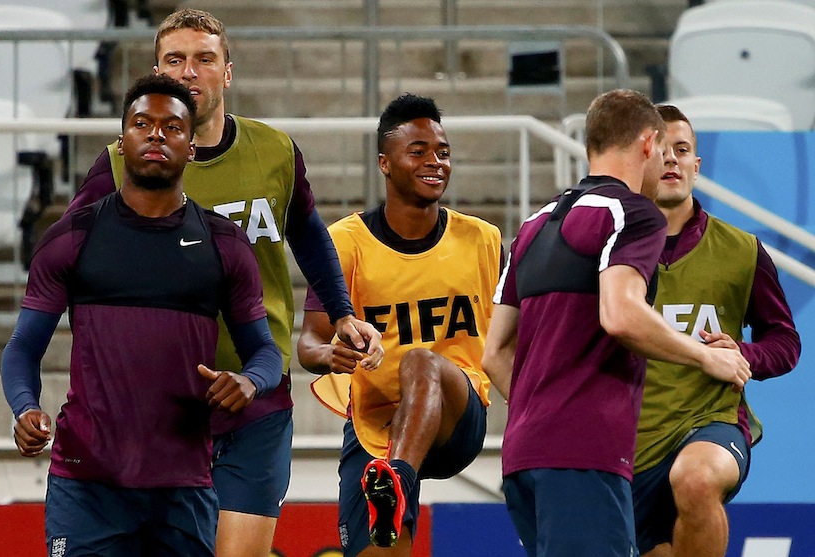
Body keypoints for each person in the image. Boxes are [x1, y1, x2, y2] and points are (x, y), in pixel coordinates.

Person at [67, 9, 383, 557]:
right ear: (157, 71)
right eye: (175, 60)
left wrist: (343, 312)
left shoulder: (276, 151)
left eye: (204, 59)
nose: (189, 72)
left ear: (227, 72)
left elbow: (308, 235)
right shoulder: (120, 165)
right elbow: (66, 262)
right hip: (156, 407)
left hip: (254, 394)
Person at [1, 74, 284, 556]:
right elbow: (23, 347)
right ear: (122, 140)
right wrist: (26, 407)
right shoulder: (72, 238)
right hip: (86, 485)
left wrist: (250, 382)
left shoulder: (225, 245)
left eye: (172, 127)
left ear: (192, 147)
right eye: (142, 124)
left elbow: (265, 352)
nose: (156, 134)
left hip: (184, 489)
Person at [481, 89, 753, 557]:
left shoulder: (533, 225)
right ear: (648, 144)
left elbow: (494, 353)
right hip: (584, 456)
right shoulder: (633, 214)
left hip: (524, 457)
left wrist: (543, 414)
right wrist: (707, 357)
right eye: (663, 150)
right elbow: (620, 314)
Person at [297, 93, 502, 557]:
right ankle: (388, 490)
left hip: (456, 414)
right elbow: (308, 342)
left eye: (443, 152)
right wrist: (331, 354)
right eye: (419, 151)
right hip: (376, 423)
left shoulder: (483, 240)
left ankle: (398, 482)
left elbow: (515, 338)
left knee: (420, 363)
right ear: (385, 163)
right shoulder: (345, 242)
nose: (436, 162)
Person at [632, 104, 801, 557]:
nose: (672, 160)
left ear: (696, 165)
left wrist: (744, 354)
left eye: (682, 150)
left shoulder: (742, 250)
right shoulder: (609, 252)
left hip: (711, 422)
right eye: (661, 150)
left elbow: (786, 342)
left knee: (696, 479)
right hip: (630, 440)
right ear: (642, 160)